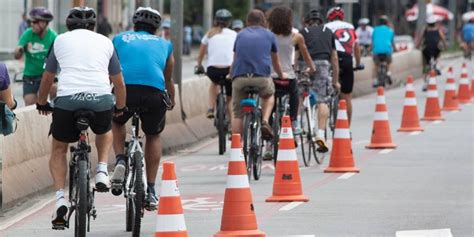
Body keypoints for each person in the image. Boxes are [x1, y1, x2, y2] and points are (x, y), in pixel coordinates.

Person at [35, 7, 126, 228]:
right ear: (94, 26)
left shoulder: (59, 41)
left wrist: (41, 103)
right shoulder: (106, 42)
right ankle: (102, 170)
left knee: (59, 148)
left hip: (67, 101)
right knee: (104, 130)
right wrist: (120, 108)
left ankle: (59, 201)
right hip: (100, 99)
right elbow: (119, 81)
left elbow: (47, 79)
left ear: (68, 25)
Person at [111, 7, 175, 211]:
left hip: (125, 91)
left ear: (134, 24)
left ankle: (120, 159)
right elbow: (167, 79)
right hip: (153, 93)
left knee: (117, 120)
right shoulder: (165, 44)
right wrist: (171, 100)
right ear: (156, 28)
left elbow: (110, 69)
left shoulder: (119, 39)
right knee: (153, 135)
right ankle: (151, 190)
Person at [231, 9, 286, 140]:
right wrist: (281, 74)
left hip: (240, 78)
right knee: (268, 96)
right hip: (261, 78)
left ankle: (236, 148)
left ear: (247, 22)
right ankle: (265, 121)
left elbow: (235, 59)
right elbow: (275, 61)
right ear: (263, 21)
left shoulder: (240, 35)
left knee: (237, 114)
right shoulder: (269, 35)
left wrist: (230, 74)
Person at [267, 6, 315, 133]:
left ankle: (269, 140)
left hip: (270, 77)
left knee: (269, 100)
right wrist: (312, 68)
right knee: (294, 92)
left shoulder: (268, 36)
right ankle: (293, 121)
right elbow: (306, 56)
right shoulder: (296, 36)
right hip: (287, 77)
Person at [299, 9, 340, 152]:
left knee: (300, 93)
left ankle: (297, 125)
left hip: (305, 65)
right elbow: (334, 58)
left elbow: (297, 54)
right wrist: (335, 80)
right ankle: (321, 134)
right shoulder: (328, 32)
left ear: (307, 22)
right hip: (323, 65)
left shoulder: (302, 32)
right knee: (322, 100)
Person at [196, 9, 236, 121]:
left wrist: (199, 66)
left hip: (213, 70)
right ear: (229, 22)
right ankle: (231, 123)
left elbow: (201, 54)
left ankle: (210, 108)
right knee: (230, 98)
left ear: (215, 21)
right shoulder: (234, 34)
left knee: (214, 83)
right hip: (229, 70)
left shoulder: (209, 34)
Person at [325, 6, 362, 126]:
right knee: (347, 97)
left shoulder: (327, 27)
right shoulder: (350, 26)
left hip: (331, 58)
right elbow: (356, 47)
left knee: (324, 93)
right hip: (347, 59)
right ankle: (347, 128)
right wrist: (358, 63)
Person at [15, 7, 57, 106]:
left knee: (54, 90)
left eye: (35, 22)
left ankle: (54, 117)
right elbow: (16, 55)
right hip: (30, 77)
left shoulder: (54, 37)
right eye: (31, 22)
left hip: (47, 75)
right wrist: (22, 48)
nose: (31, 24)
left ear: (43, 23)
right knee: (30, 103)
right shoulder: (28, 33)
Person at [416, 15, 447, 91]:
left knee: (425, 64)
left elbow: (420, 41)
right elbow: (443, 40)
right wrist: (446, 47)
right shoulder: (438, 31)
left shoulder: (425, 30)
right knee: (439, 52)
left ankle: (425, 81)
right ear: (435, 23)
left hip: (426, 50)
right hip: (436, 50)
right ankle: (436, 64)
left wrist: (417, 46)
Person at [371, 15, 396, 87]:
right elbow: (392, 43)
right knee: (389, 62)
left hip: (377, 51)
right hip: (387, 51)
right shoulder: (390, 30)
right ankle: (388, 73)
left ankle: (375, 80)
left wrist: (369, 51)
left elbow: (372, 43)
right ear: (387, 22)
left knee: (376, 65)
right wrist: (396, 50)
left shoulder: (375, 30)